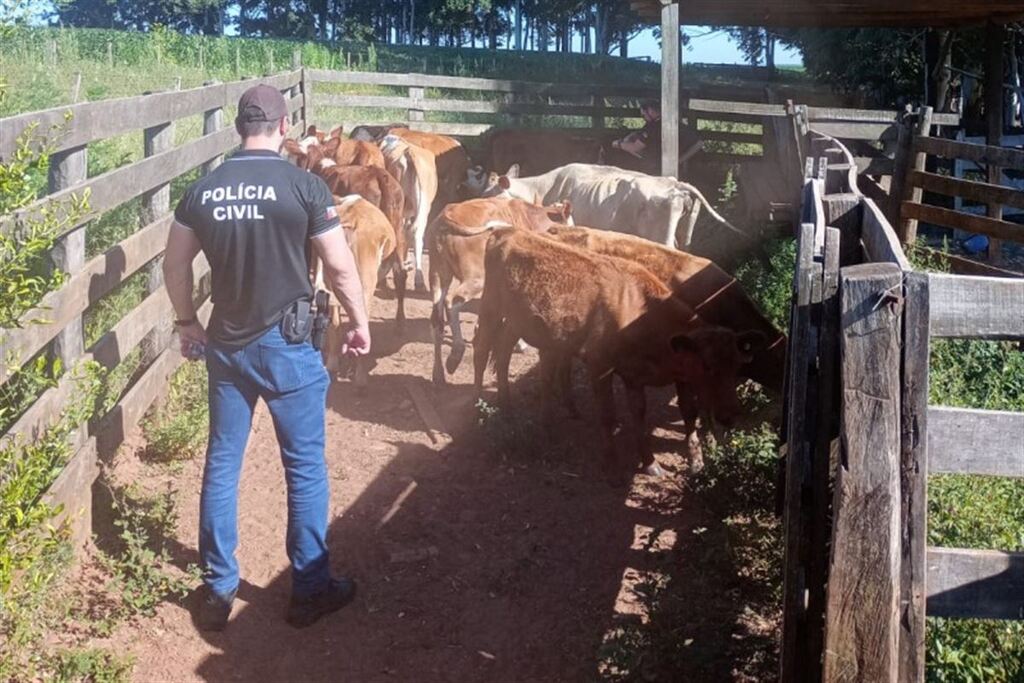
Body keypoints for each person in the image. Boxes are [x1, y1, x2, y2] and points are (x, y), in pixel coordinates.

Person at [162, 84, 371, 631]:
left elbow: (175, 266)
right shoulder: (305, 186)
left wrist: (188, 323)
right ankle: (309, 588)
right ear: (283, 128)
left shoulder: (202, 192)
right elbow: (341, 266)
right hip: (290, 348)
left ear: (238, 128)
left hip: (226, 347)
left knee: (223, 464)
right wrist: (358, 321)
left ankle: (217, 589)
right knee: (303, 468)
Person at [609, 100, 702, 175]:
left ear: (650, 111)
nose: (643, 118)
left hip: (654, 170)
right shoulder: (674, 124)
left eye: (644, 115)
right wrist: (679, 161)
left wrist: (618, 143)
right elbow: (698, 143)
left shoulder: (651, 127)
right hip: (674, 170)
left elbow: (635, 147)